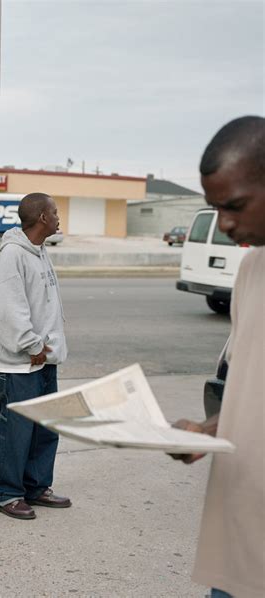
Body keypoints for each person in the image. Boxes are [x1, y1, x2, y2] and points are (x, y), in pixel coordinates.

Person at [172, 116, 265, 598]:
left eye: (235, 206)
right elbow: (251, 391)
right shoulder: (251, 270)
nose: (224, 224)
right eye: (213, 208)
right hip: (238, 537)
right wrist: (207, 433)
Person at [0, 192, 71, 519]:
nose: (58, 216)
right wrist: (32, 346)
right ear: (42, 218)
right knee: (16, 432)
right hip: (23, 362)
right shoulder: (13, 255)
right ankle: (7, 494)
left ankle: (36, 486)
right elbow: (8, 309)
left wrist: (47, 348)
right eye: (54, 211)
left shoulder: (39, 252)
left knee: (45, 428)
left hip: (44, 359)